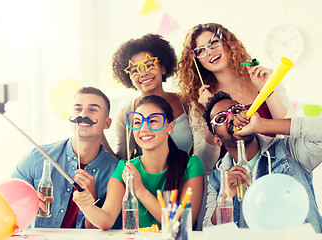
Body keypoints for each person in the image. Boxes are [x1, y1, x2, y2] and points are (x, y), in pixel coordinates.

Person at [177, 23, 294, 174]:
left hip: (281, 169)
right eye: (201, 50)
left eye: (213, 43)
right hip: (237, 180)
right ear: (196, 60)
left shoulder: (263, 77)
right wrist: (209, 114)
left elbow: (293, 132)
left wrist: (267, 90)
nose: (210, 52)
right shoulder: (199, 101)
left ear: (227, 43)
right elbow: (204, 164)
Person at [73, 95, 204, 229]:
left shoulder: (191, 165)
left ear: (170, 127)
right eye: (137, 122)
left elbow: (181, 226)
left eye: (153, 121)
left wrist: (139, 190)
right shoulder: (125, 168)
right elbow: (107, 220)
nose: (144, 128)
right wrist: (86, 205)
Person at [202, 91, 322, 233]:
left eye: (236, 111)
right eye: (221, 118)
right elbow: (208, 231)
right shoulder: (218, 179)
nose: (232, 117)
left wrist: (262, 125)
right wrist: (225, 197)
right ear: (217, 140)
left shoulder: (288, 151)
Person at [12, 87, 120, 229]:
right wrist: (26, 203)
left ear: (107, 123)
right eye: (77, 109)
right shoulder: (38, 157)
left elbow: (102, 232)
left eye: (92, 110)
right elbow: (7, 204)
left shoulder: (116, 171)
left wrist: (92, 200)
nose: (83, 114)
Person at [110, 34, 194, 160]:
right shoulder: (126, 113)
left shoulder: (186, 102)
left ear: (163, 68)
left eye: (149, 65)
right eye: (135, 71)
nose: (143, 73)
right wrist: (98, 134)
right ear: (129, 78)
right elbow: (121, 160)